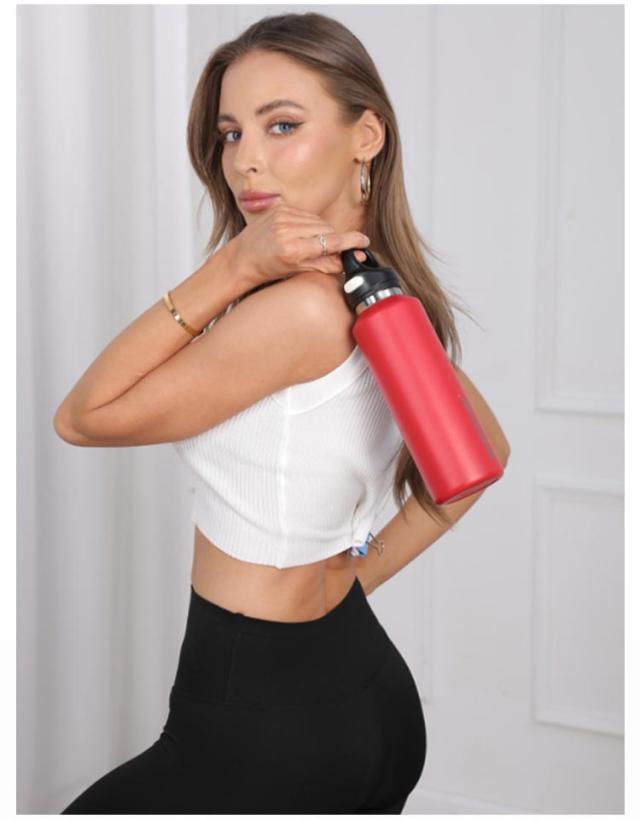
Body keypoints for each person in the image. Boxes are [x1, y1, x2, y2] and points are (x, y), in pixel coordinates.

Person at [55, 11, 511, 815]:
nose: (245, 159)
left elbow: (84, 416)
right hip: (364, 689)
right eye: (231, 132)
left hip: (258, 719)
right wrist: (350, 582)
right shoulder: (379, 289)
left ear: (366, 135)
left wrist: (231, 267)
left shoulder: (300, 310)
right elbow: (483, 458)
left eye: (283, 125)